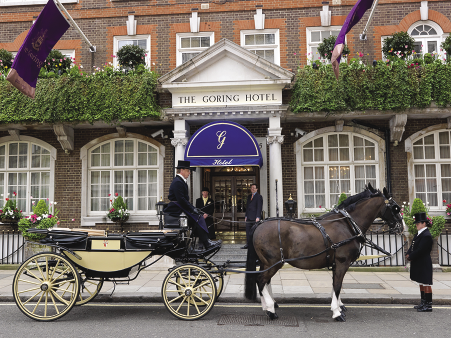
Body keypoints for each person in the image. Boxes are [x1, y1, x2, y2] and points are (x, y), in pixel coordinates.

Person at [164, 160, 221, 250]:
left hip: (180, 208)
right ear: (182, 170)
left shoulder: (180, 181)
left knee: (198, 218)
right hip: (176, 209)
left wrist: (193, 208)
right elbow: (181, 199)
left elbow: (183, 200)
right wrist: (192, 209)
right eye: (188, 170)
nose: (189, 173)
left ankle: (203, 242)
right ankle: (206, 243)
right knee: (198, 218)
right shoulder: (178, 182)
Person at [406, 212, 433, 312]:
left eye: (418, 223)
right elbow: (413, 246)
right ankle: (423, 302)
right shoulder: (419, 233)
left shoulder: (426, 235)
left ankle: (428, 305)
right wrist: (408, 253)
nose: (416, 225)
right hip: (419, 262)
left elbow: (421, 250)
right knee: (421, 282)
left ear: (424, 223)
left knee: (426, 283)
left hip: (424, 262)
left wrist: (411, 256)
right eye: (416, 223)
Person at [242, 183, 263, 249]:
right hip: (249, 217)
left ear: (257, 189)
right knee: (248, 231)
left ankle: (255, 245)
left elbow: (259, 207)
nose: (252, 189)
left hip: (255, 218)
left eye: (254, 188)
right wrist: (246, 216)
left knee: (255, 232)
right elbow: (247, 207)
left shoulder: (259, 197)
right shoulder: (249, 197)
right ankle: (248, 244)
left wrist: (258, 217)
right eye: (251, 188)